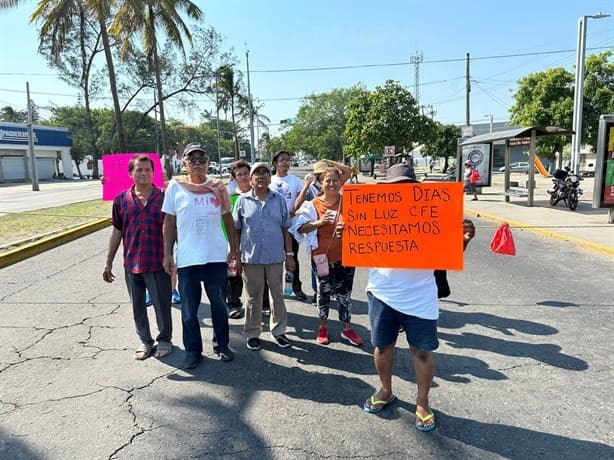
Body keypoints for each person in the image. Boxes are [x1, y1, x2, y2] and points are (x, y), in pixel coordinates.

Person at [360, 163, 475, 433]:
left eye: (407, 186)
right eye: (396, 186)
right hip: (381, 293)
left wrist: (464, 239)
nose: (401, 191)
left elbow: (450, 253)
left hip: (420, 296)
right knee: (382, 347)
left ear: (415, 187)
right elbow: (356, 246)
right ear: (387, 189)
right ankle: (386, 390)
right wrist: (347, 236)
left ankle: (422, 402)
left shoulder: (432, 214)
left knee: (422, 351)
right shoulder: (374, 212)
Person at [162, 143, 238, 369]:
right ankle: (193, 350)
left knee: (219, 306)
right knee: (189, 310)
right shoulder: (175, 187)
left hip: (215, 257)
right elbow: (169, 222)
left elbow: (228, 219)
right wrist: (167, 253)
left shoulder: (218, 187)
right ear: (184, 163)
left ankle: (222, 345)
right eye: (191, 159)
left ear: (208, 163)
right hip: (188, 260)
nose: (197, 163)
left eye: (201, 159)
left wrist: (233, 249)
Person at [102, 154, 173, 361]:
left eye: (148, 170)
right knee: (138, 306)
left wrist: (170, 256)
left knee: (162, 305)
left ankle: (165, 339)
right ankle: (145, 341)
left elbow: (172, 228)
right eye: (139, 170)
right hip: (131, 263)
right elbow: (117, 231)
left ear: (154, 173)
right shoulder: (121, 200)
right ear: (130, 174)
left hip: (158, 262)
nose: (144, 173)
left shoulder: (164, 197)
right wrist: (108, 262)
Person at [292, 164, 361, 347]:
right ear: (320, 183)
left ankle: (346, 328)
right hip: (322, 258)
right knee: (323, 293)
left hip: (346, 258)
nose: (331, 184)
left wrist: (347, 229)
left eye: (335, 180)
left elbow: (362, 228)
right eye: (327, 180)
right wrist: (319, 222)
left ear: (340, 182)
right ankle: (322, 327)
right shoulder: (313, 204)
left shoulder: (349, 202)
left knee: (345, 294)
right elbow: (298, 228)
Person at [233, 162, 295, 350]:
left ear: (270, 178)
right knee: (253, 297)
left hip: (275, 257)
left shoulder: (279, 200)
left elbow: (286, 229)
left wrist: (290, 254)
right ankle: (252, 332)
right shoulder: (242, 201)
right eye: (257, 173)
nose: (261, 176)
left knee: (277, 295)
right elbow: (236, 229)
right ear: (250, 180)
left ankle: (279, 331)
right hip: (251, 258)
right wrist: (235, 255)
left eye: (265, 172)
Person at [295, 159, 351, 306]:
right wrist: (306, 186)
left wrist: (330, 162)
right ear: (319, 179)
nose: (331, 183)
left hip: (342, 255)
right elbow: (299, 220)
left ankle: (345, 322)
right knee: (321, 281)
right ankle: (318, 292)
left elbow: (348, 171)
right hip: (320, 251)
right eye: (322, 177)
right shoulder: (313, 196)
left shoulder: (338, 192)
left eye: (334, 179)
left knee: (343, 291)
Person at [270, 150, 307, 301]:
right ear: (275, 163)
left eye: (287, 160)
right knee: (275, 259)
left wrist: (292, 212)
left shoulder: (295, 180)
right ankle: (277, 289)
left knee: (292, 257)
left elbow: (301, 198)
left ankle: (296, 288)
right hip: (274, 226)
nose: (285, 162)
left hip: (291, 226)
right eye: (282, 160)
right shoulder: (270, 180)